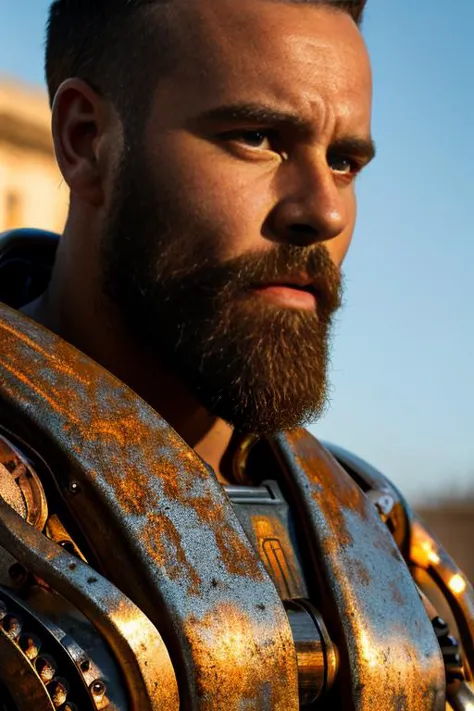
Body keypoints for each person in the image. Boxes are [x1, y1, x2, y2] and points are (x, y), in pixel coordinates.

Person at [0, 1, 472, 709]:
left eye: (344, 161)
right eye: (257, 137)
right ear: (86, 139)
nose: (325, 210)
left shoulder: (390, 544)